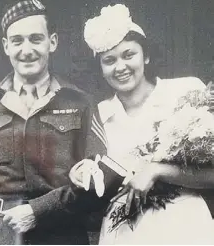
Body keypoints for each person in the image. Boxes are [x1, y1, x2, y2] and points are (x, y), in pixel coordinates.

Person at [69, 4, 214, 244]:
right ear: (101, 68)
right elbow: (95, 185)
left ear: (145, 55)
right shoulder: (100, 114)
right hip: (124, 233)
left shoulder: (185, 91)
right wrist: (80, 174)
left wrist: (158, 170)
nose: (120, 67)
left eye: (129, 55)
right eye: (109, 60)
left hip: (185, 228)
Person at [0, 0, 107, 244]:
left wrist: (39, 210)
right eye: (17, 41)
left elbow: (99, 178)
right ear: (5, 46)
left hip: (62, 233)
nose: (26, 50)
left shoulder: (80, 102)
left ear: (52, 42)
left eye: (36, 39)